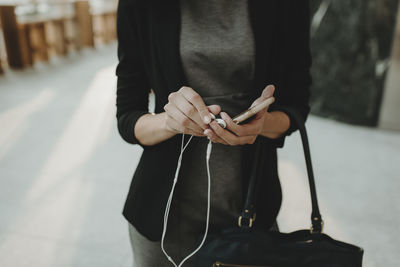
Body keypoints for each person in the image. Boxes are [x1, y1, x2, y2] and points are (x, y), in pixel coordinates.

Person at [115, 0, 312, 266]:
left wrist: (262, 125)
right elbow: (128, 118)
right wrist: (170, 121)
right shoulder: (142, 5)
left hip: (250, 210)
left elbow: (297, 104)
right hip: (161, 218)